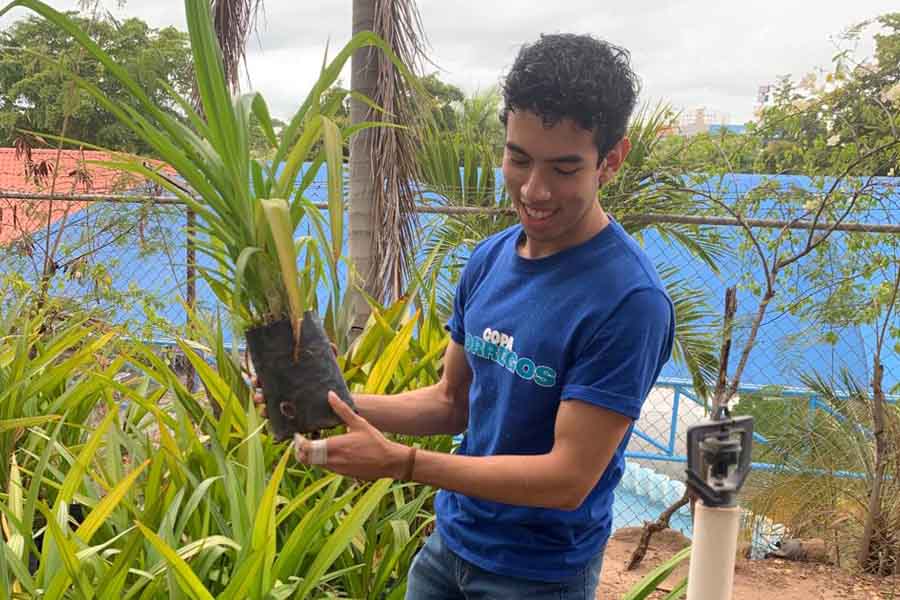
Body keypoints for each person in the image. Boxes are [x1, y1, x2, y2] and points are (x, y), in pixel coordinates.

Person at [259, 33, 675, 600]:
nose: (534, 189)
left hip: (537, 577)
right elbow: (453, 402)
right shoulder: (492, 258)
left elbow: (567, 479)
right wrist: (327, 402)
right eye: (519, 158)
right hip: (449, 551)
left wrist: (403, 464)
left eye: (563, 169)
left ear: (612, 161)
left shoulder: (628, 300)